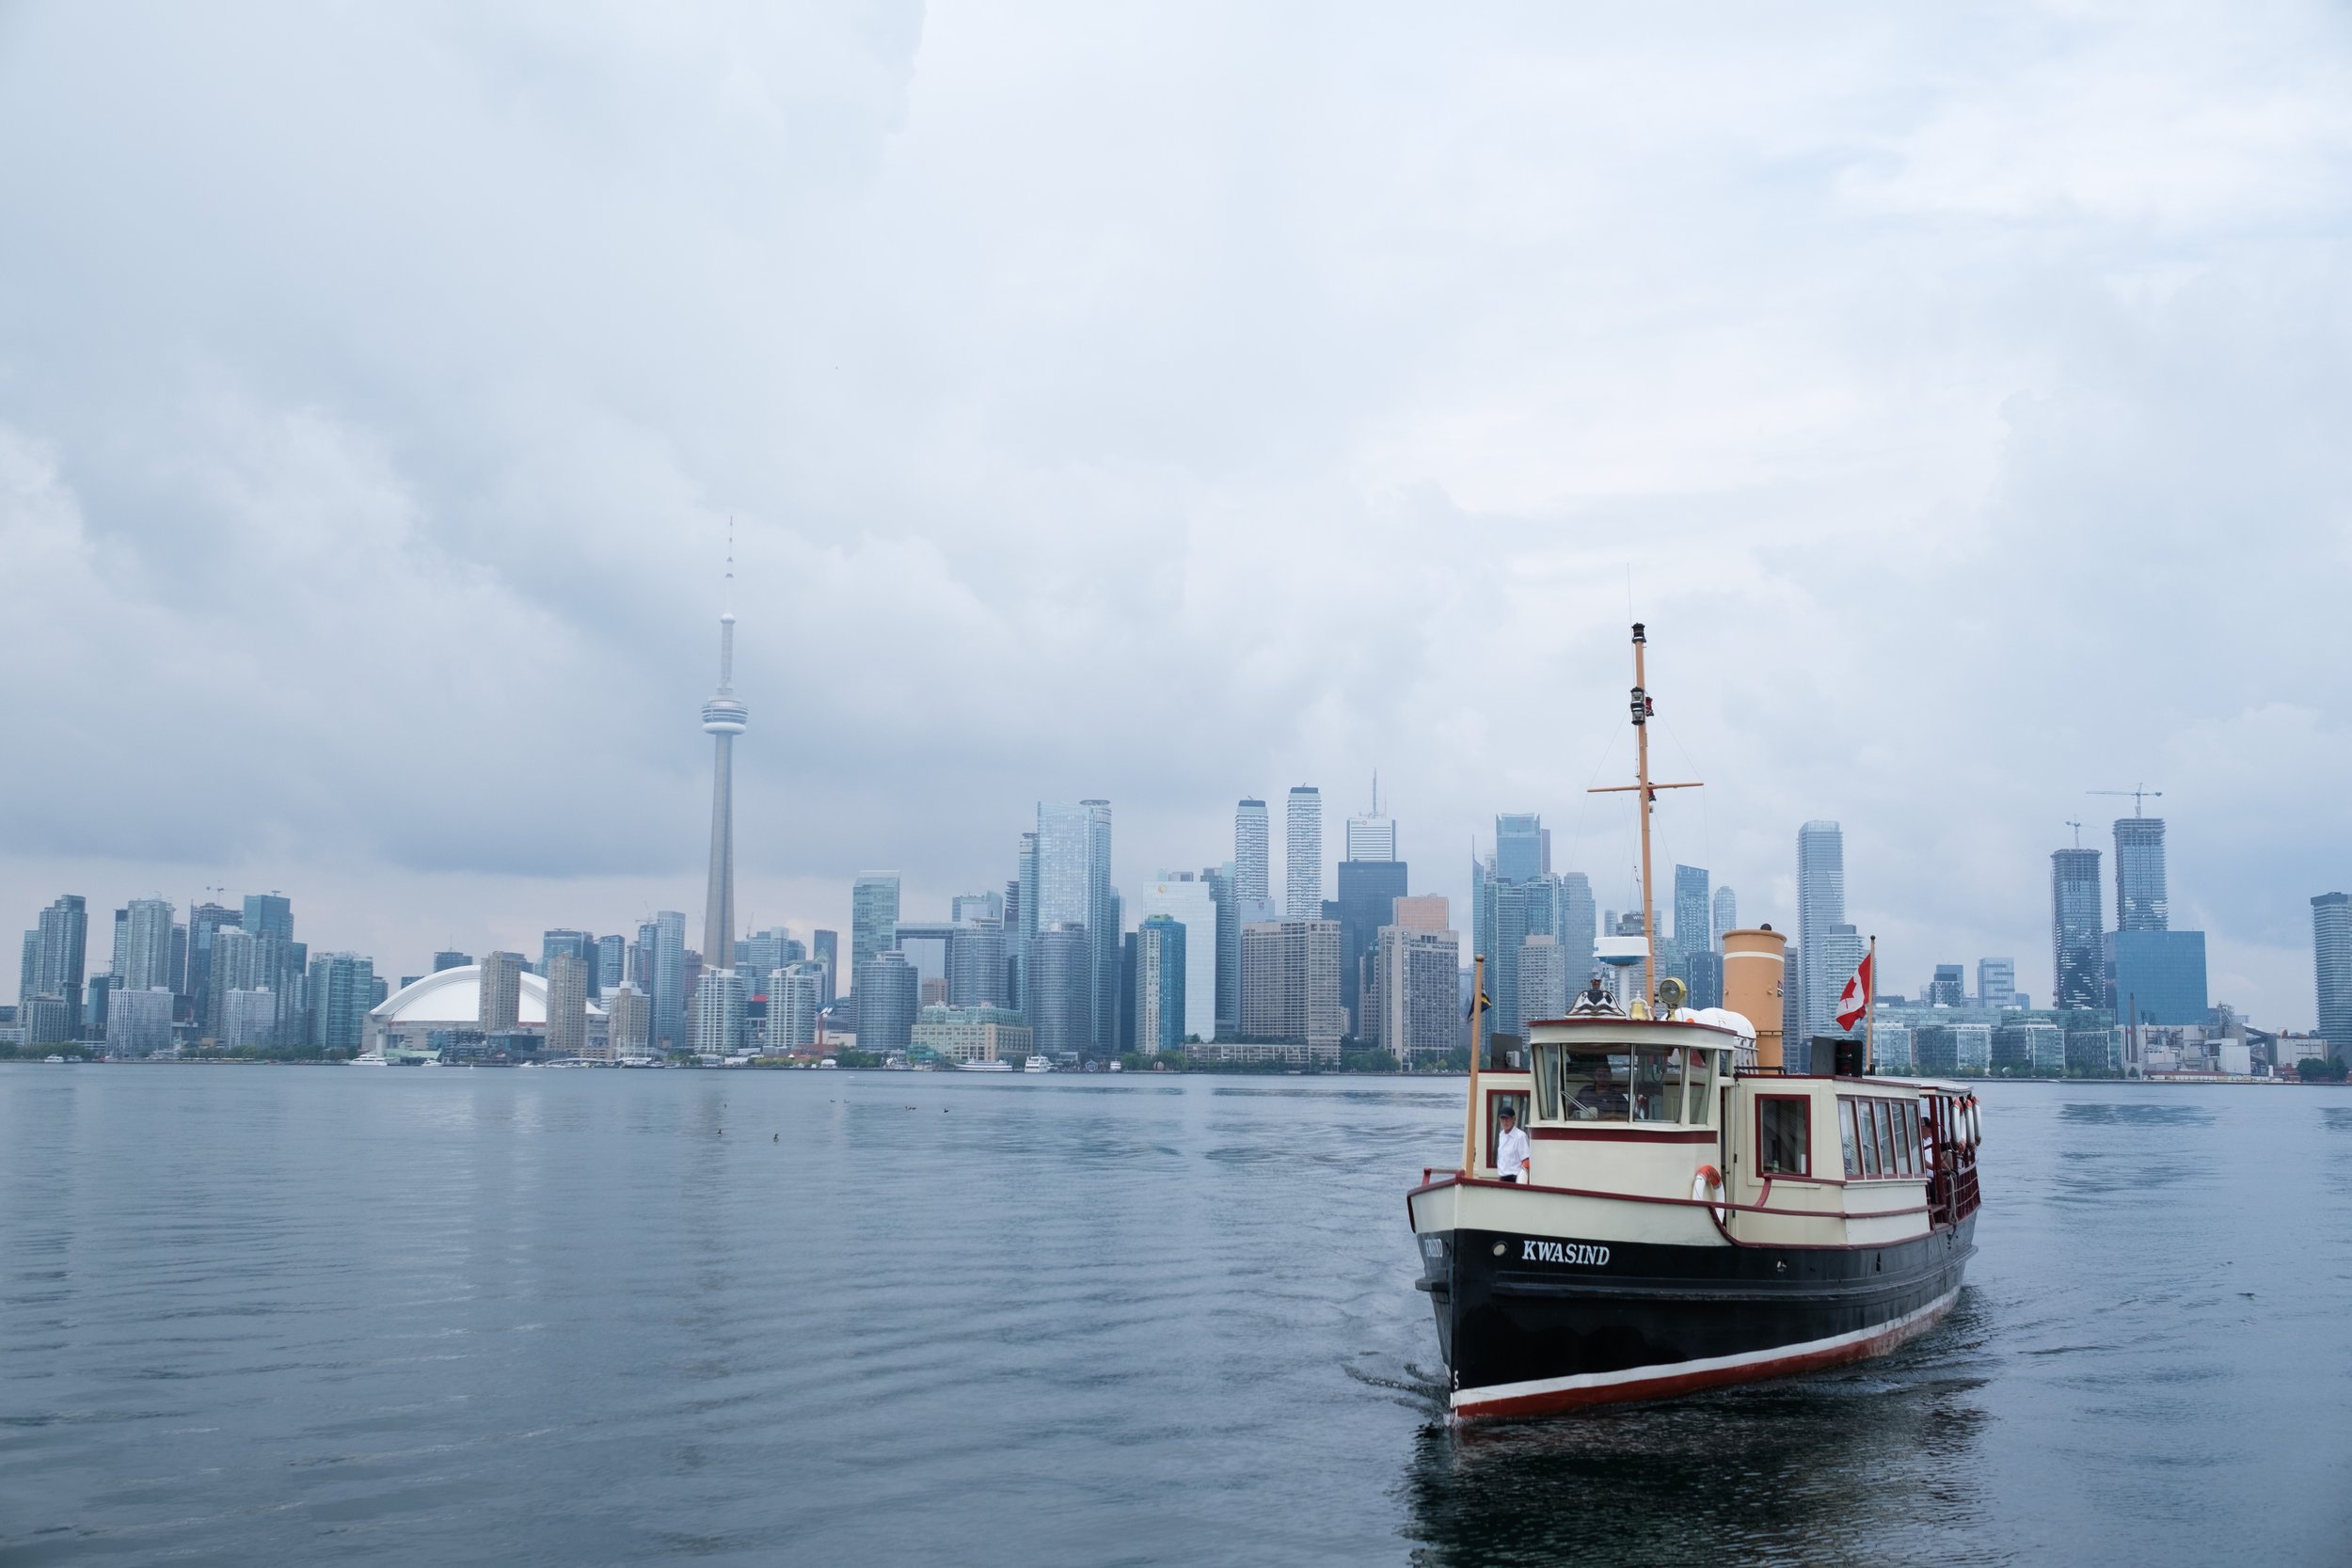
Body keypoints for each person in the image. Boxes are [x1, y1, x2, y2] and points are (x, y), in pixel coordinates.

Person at [1495, 1103, 1530, 1184]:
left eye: (1507, 1119)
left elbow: (1526, 1161)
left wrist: (1521, 1183)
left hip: (1515, 1179)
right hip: (1501, 1179)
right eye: (1502, 1119)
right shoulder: (1501, 1135)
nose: (1505, 1121)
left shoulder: (1520, 1136)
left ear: (1514, 1119)